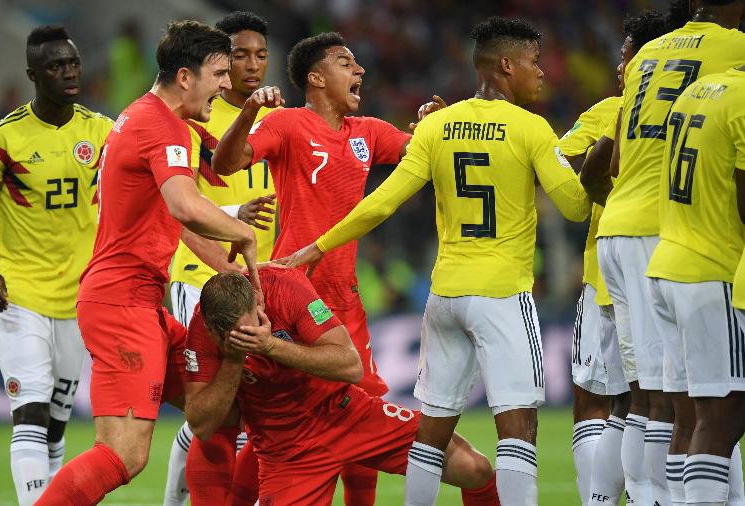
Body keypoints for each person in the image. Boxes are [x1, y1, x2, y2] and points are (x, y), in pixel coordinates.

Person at [281, 16, 596, 505]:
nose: (541, 73)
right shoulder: (532, 129)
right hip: (502, 295)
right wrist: (585, 159)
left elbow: (381, 202)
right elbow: (577, 206)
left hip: (444, 297)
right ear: (506, 66)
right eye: (534, 62)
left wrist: (314, 248)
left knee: (430, 437)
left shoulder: (439, 127)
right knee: (518, 430)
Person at [35, 20, 261, 505]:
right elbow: (184, 204)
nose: (226, 85)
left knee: (225, 408)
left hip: (141, 306)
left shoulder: (143, 119)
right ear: (186, 76)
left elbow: (176, 223)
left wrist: (231, 270)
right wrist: (241, 232)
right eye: (219, 73)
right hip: (121, 307)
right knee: (124, 454)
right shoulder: (159, 125)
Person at [211, 32, 425, 502]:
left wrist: (434, 125)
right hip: (293, 293)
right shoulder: (287, 124)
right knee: (283, 426)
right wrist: (249, 113)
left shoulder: (368, 132)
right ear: (316, 77)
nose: (360, 71)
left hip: (344, 296)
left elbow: (424, 154)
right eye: (346, 62)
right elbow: (225, 165)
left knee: (361, 410)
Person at [0, 25, 112, 506]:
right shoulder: (1, 139)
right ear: (32, 74)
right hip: (18, 293)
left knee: (57, 424)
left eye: (72, 63)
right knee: (31, 412)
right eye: (55, 66)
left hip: (78, 299)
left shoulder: (102, 132)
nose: (68, 73)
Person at [184, 268, 500, 506]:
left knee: (474, 468)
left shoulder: (285, 287)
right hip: (287, 453)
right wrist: (233, 361)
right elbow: (201, 425)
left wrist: (270, 346)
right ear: (211, 329)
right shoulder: (203, 328)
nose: (247, 336)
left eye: (250, 328)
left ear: (257, 299)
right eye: (234, 335)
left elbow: (350, 365)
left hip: (347, 414)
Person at [596, 1, 745, 503]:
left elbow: (614, 160)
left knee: (654, 399)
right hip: (674, 234)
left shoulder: (649, 54)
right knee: (696, 405)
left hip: (622, 229)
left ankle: (653, 497)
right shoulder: (736, 53)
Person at [163, 11, 276, 506]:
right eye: (236, 56)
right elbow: (183, 212)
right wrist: (224, 262)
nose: (249, 66)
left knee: (243, 409)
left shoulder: (278, 120)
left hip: (257, 278)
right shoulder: (193, 119)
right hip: (201, 275)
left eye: (260, 55)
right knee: (213, 407)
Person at [559, 10, 669, 506]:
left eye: (625, 55)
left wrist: (593, 195)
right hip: (673, 263)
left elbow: (560, 165)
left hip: (610, 270)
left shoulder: (613, 110)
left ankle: (602, 500)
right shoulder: (695, 104)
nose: (619, 65)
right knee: (683, 400)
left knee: (614, 400)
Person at [646, 65, 745, 504]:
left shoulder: (698, 91)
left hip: (670, 262)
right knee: (721, 417)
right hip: (713, 269)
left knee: (692, 415)